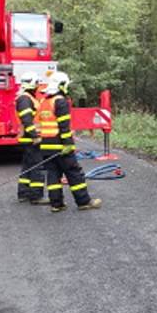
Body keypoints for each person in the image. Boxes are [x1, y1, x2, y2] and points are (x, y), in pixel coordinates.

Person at [36, 72, 102, 213]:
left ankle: (56, 204)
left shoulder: (44, 102)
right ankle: (84, 201)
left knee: (53, 175)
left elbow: (40, 124)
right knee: (74, 173)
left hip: (46, 145)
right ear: (62, 85)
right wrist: (67, 144)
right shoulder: (60, 101)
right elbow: (64, 126)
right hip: (60, 144)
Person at [15, 72, 48, 205]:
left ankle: (23, 193)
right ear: (33, 84)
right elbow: (27, 120)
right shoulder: (25, 99)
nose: (38, 87)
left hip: (29, 138)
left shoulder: (26, 97)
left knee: (27, 167)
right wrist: (35, 136)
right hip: (32, 139)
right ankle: (36, 196)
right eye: (37, 84)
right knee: (37, 167)